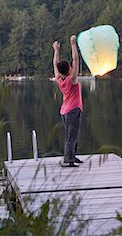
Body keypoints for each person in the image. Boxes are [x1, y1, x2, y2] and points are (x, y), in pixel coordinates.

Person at [52, 35, 83, 167]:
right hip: (72, 111)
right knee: (71, 136)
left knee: (72, 134)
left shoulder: (60, 79)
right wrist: (73, 44)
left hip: (65, 111)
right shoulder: (72, 79)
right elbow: (76, 59)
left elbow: (55, 64)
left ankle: (72, 156)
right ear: (69, 69)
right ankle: (68, 160)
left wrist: (56, 50)